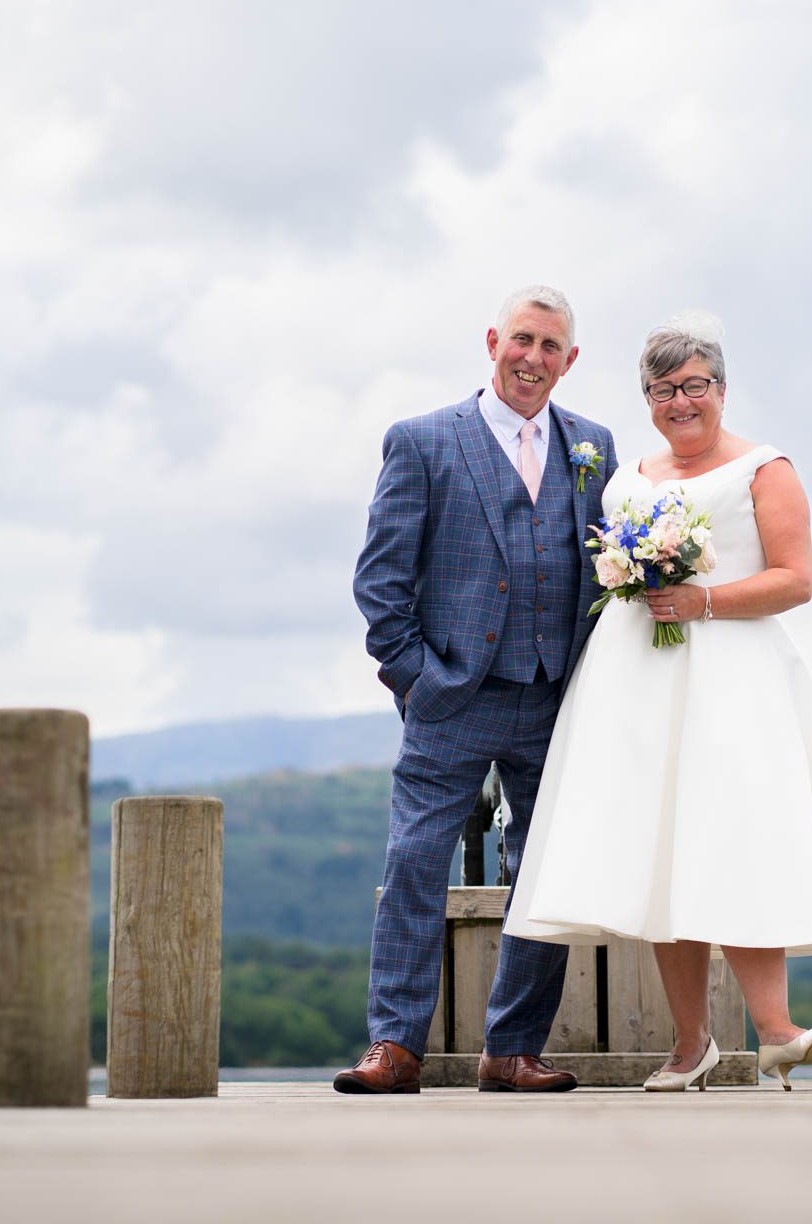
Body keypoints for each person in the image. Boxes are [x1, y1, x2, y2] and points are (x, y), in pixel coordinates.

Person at [504, 314, 812, 1092]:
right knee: (661, 849)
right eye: (662, 390)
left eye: (694, 386)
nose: (679, 402)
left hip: (732, 676)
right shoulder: (629, 471)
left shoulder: (764, 468)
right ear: (647, 398)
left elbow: (797, 579)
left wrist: (704, 602)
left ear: (720, 389)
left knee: (740, 836)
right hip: (634, 681)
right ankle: (692, 1045)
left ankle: (778, 1030)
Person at [341, 285, 618, 1095]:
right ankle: (394, 1046)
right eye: (522, 340)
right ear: (494, 340)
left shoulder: (593, 445)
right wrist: (417, 680)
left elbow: (603, 571)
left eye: (551, 347)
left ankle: (513, 1049)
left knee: (546, 871)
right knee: (416, 860)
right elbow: (380, 581)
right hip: (451, 697)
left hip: (556, 696)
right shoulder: (424, 440)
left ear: (570, 361)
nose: (533, 358)